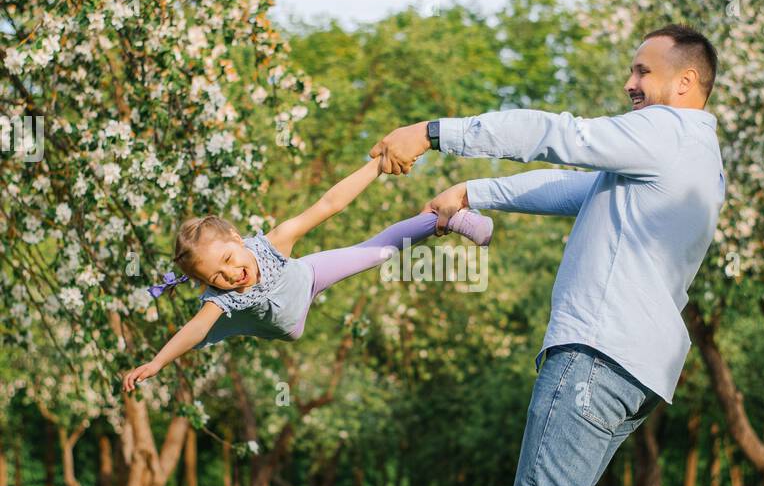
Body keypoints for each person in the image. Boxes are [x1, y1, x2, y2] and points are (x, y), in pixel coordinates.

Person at [371, 24, 726, 486]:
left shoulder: (664, 132)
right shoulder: (688, 157)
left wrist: (432, 132)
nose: (630, 84)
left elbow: (551, 133)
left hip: (596, 350)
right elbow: (573, 189)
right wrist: (475, 193)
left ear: (683, 84)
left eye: (642, 72)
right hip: (637, 362)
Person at [122, 157, 492, 393]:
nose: (231, 274)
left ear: (238, 238)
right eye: (216, 276)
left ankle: (443, 217)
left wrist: (374, 166)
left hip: (308, 276)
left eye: (230, 259)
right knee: (207, 328)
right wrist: (157, 362)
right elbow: (195, 329)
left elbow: (329, 203)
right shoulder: (223, 298)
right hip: (273, 323)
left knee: (377, 251)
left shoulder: (275, 242)